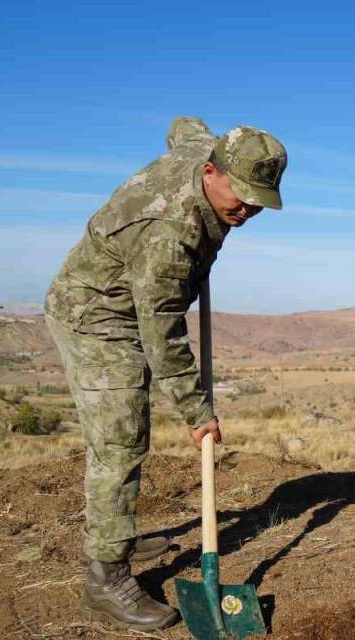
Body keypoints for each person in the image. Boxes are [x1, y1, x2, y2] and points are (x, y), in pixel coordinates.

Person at [44, 116, 286, 631]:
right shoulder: (168, 238)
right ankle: (105, 577)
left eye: (257, 200)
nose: (245, 210)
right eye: (238, 197)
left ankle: (119, 533)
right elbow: (162, 337)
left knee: (126, 434)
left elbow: (184, 127)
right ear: (209, 171)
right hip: (98, 315)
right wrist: (198, 412)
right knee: (120, 439)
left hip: (133, 305)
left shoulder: (205, 152)